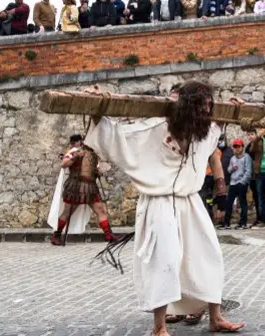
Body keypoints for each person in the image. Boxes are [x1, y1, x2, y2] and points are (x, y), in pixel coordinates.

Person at [84, 81, 245, 335]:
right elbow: (113, 136)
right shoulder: (152, 129)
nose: (206, 112)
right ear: (188, 107)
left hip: (190, 201)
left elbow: (215, 130)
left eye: (209, 107)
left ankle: (215, 318)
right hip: (158, 203)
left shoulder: (200, 131)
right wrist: (97, 108)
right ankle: (159, 327)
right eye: (202, 107)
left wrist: (231, 110)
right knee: (164, 260)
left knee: (209, 254)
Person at [49, 134, 116, 245]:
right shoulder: (75, 151)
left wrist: (96, 172)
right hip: (76, 187)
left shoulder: (93, 154)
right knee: (67, 212)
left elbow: (92, 169)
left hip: (90, 188)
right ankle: (56, 235)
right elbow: (64, 164)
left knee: (100, 210)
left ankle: (109, 235)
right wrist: (75, 157)